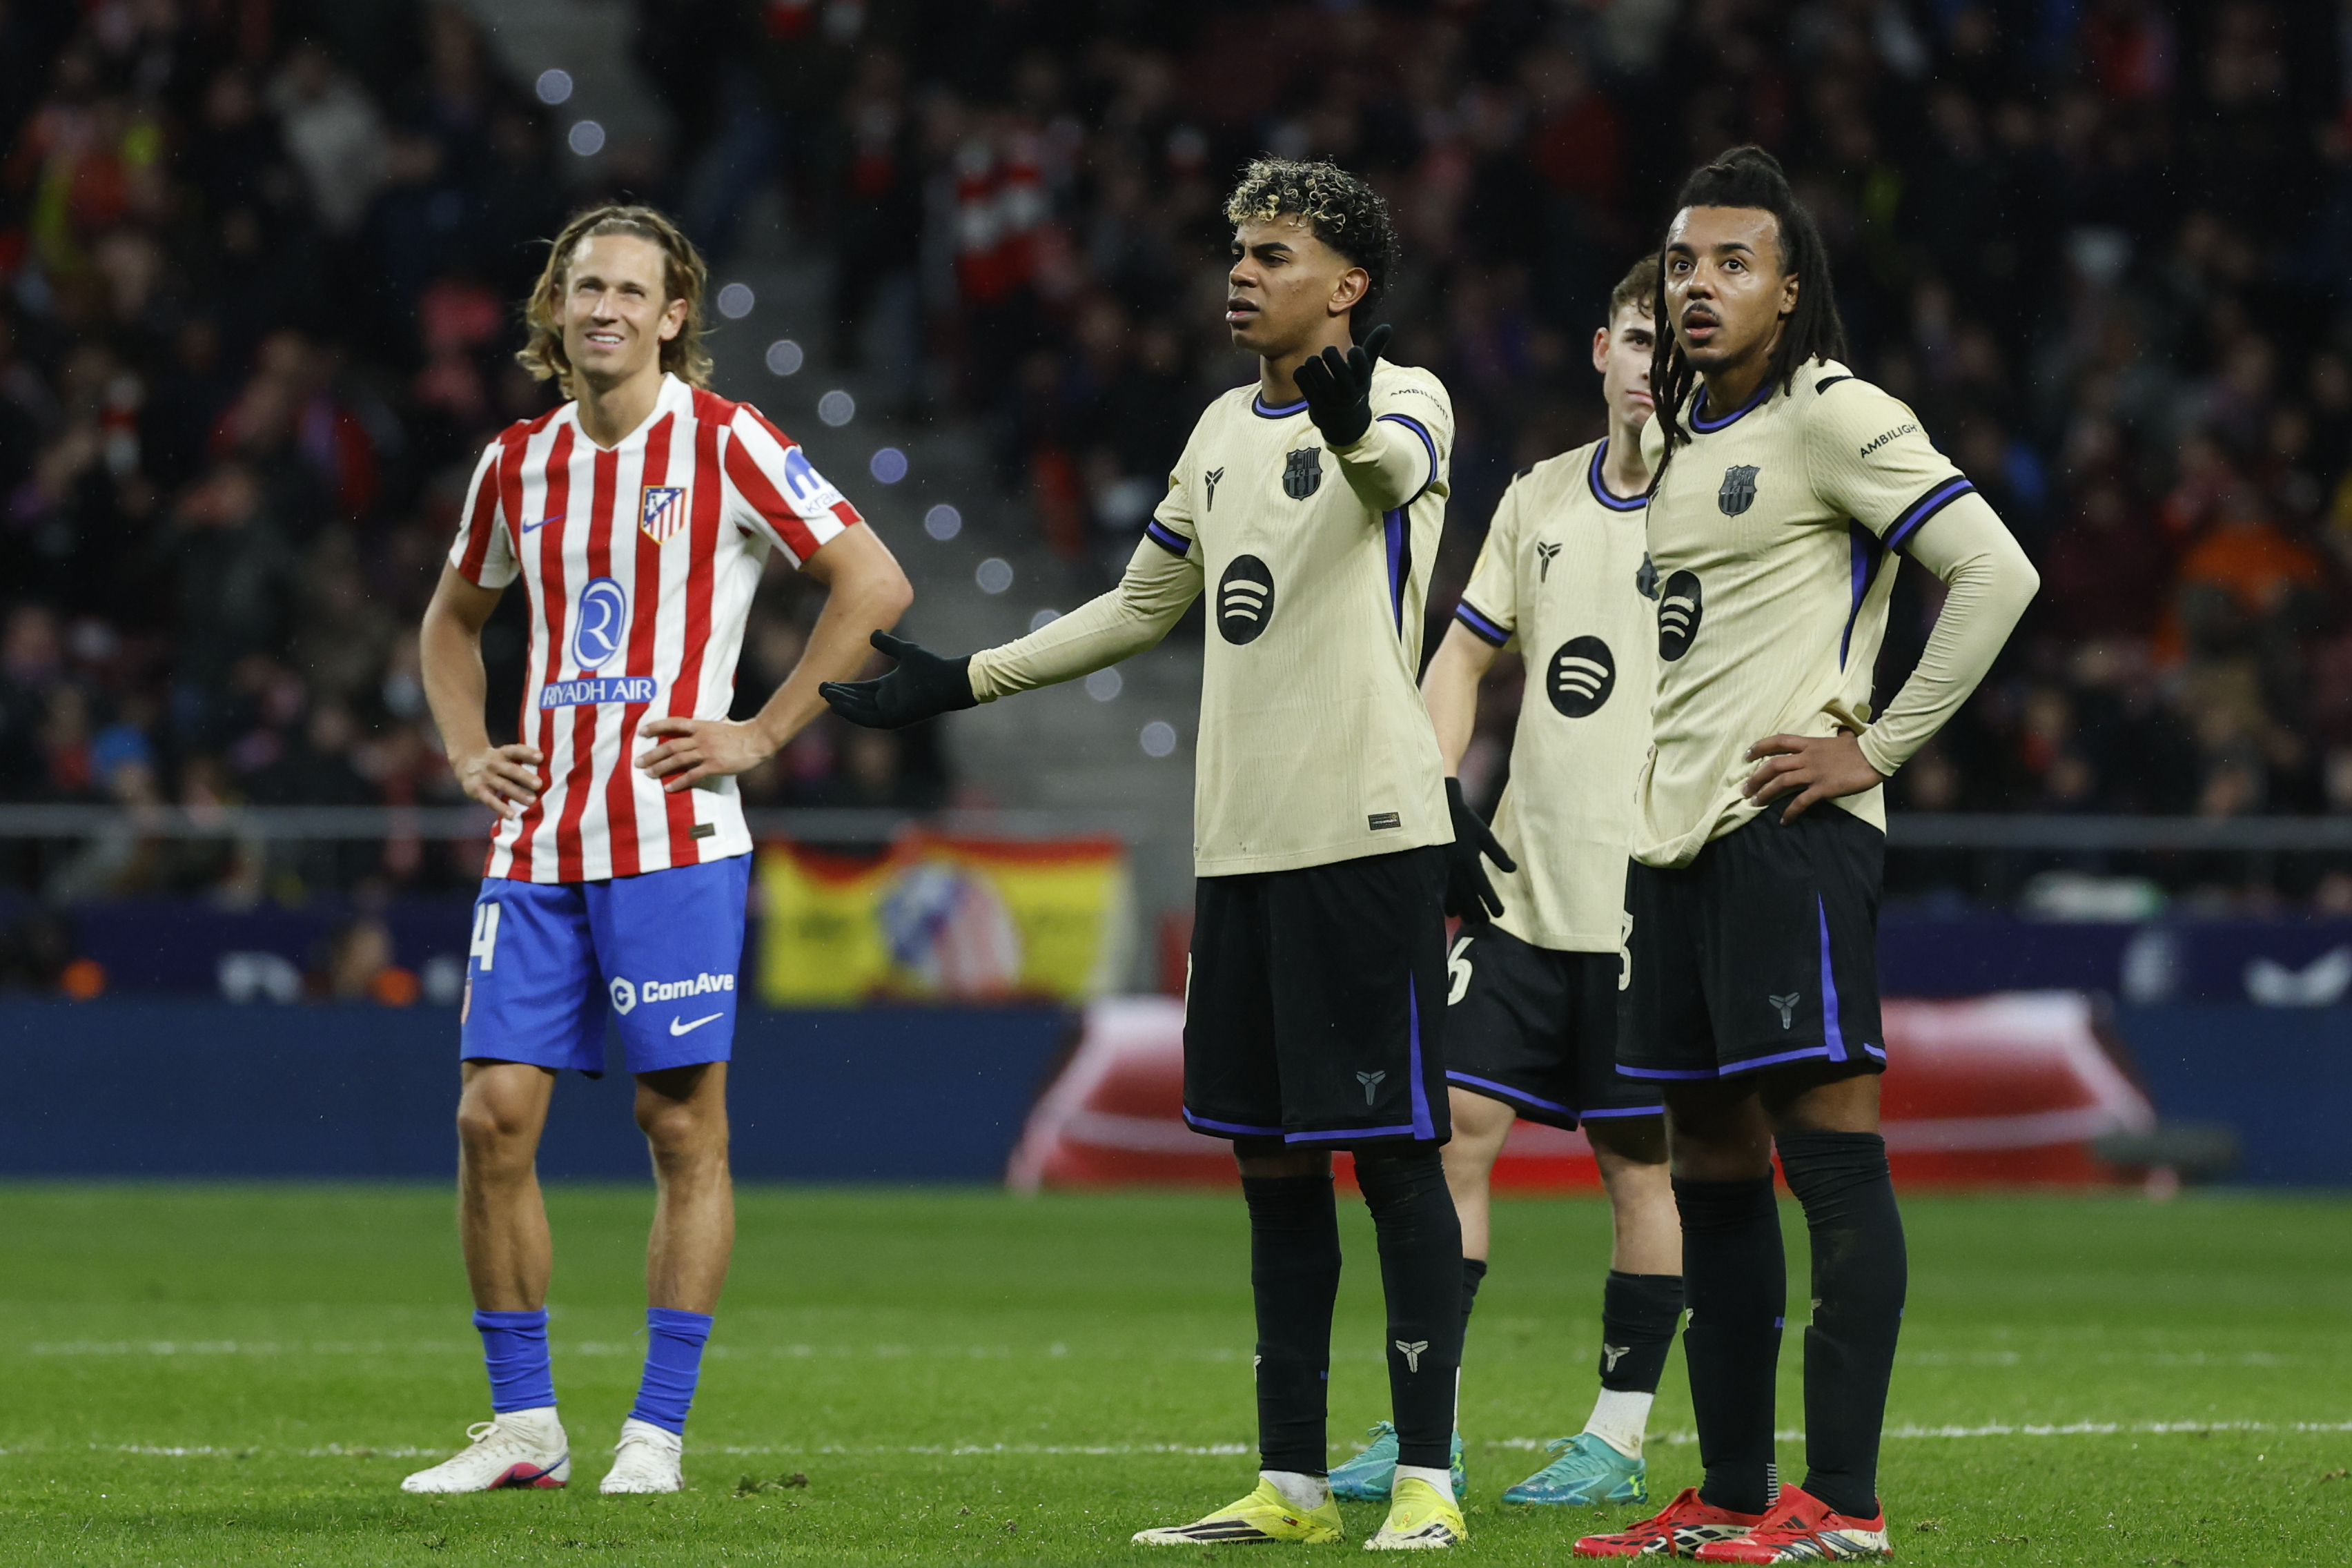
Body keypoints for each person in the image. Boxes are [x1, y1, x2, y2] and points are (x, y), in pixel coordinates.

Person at [824, 157, 1476, 1551]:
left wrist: (1347, 393)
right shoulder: (1218, 432)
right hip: (1240, 848)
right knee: (1270, 1163)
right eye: (1238, 250)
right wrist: (967, 679)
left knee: (1397, 1158)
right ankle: (1290, 1484)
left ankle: (1428, 1479)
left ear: (1347, 285)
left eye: (1277, 252)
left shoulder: (1408, 398)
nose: (1242, 271)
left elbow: (1386, 471)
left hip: (1367, 836)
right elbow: (1138, 603)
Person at [401, 204, 912, 1496]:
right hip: (540, 838)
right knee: (489, 1118)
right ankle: (525, 1427)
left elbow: (875, 584)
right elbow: (451, 623)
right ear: (556, 310)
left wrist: (764, 731)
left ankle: (656, 1432)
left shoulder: (727, 441)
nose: (605, 309)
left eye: (632, 290)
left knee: (679, 1128)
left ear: (675, 314)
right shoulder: (517, 463)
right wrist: (470, 751)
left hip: (676, 838)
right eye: (585, 288)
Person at [1574, 148, 2036, 1562]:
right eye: (1681, 263)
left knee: (1829, 1163)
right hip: (1679, 847)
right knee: (1710, 1165)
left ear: (1789, 288)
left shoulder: (1836, 414)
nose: (1696, 286)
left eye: (1730, 264)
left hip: (1791, 840)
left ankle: (1842, 1505)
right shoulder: (1688, 446)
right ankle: (1727, 1494)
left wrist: (1877, 746)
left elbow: (1995, 571)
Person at [1328, 255, 1683, 1512]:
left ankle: (1618, 1435)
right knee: (1448, 1138)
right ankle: (1429, 1425)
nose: (1654, 363)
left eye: (1673, 342)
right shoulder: (1539, 500)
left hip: (1647, 903)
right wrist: (1437, 795)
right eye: (1637, 337)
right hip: (1523, 889)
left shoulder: (1728, 509)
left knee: (1636, 1167)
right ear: (1602, 351)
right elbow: (1463, 656)